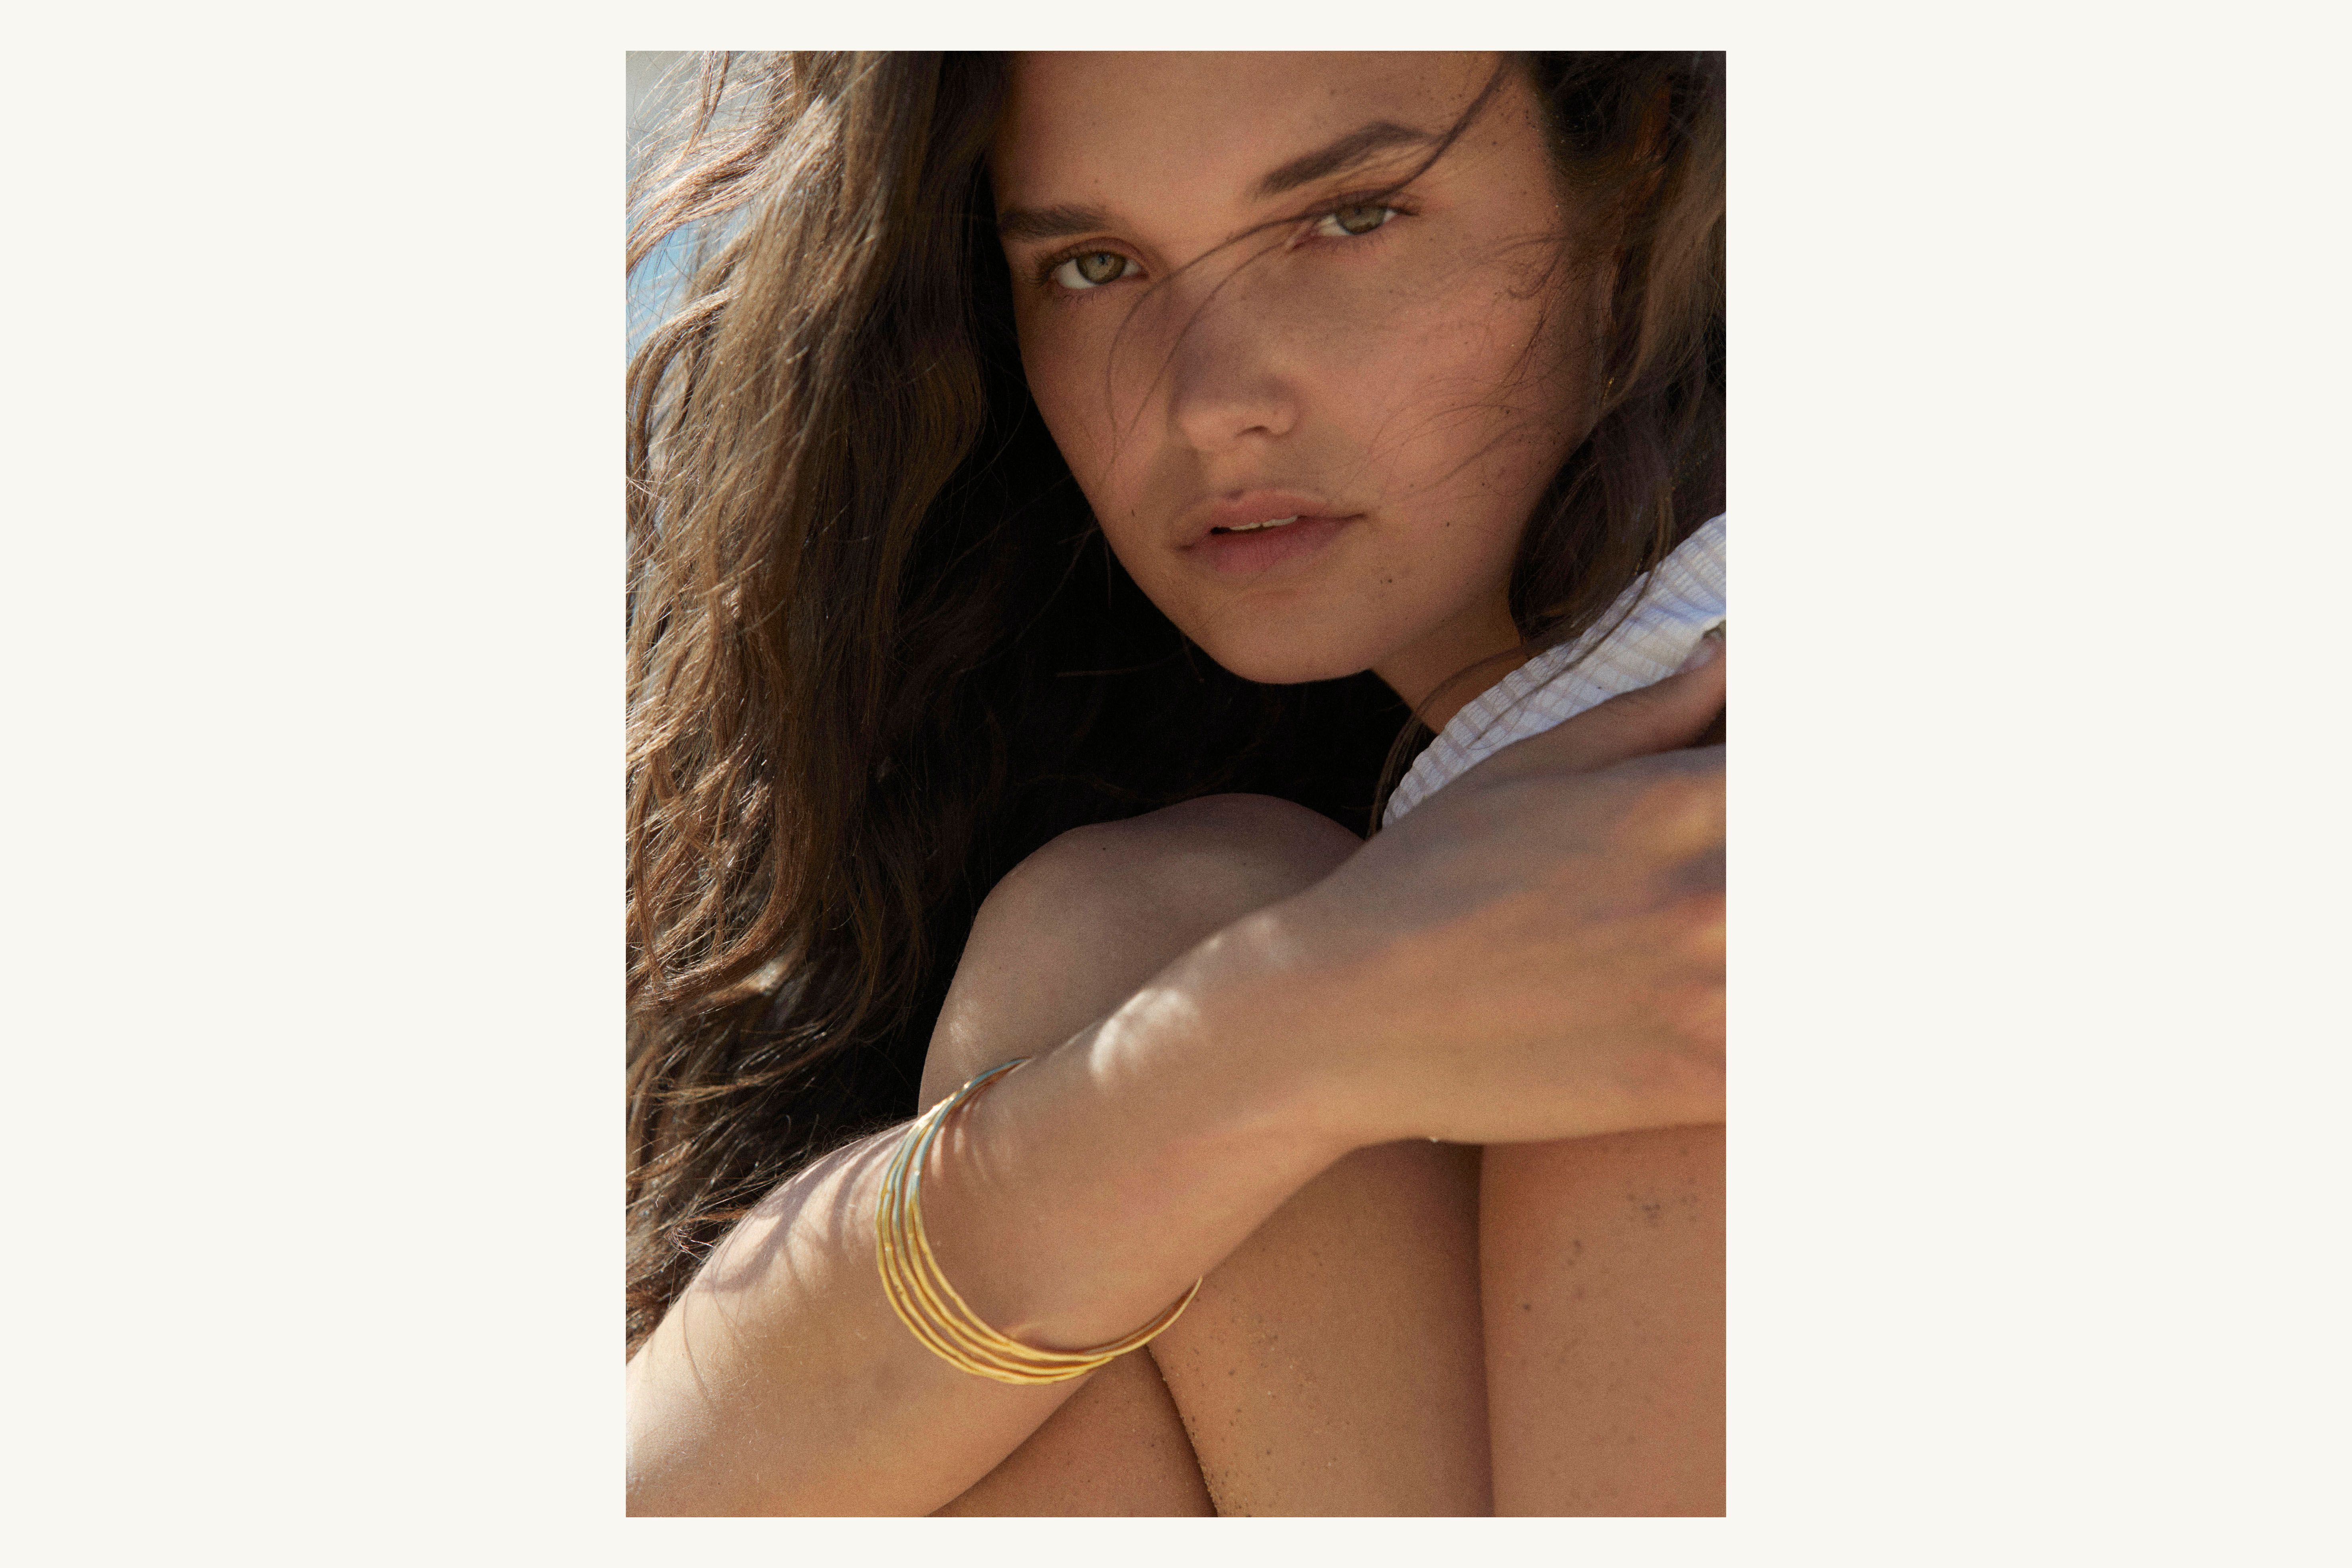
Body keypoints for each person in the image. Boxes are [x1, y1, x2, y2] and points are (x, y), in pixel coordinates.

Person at [624, 50, 1725, 1516]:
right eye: (1093, 266)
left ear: (1634, 190)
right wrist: (1275, 1037)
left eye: (1349, 218)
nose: (1207, 402)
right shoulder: (1172, 827)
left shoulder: (1692, 813)